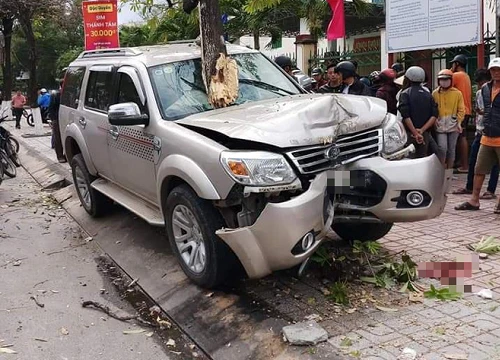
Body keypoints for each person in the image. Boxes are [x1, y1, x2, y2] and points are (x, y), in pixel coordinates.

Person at [456, 58, 500, 213]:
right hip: (487, 136)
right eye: (493, 70)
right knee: (479, 169)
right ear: (490, 72)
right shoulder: (485, 89)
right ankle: (474, 200)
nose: (496, 73)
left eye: (498, 70)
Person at [397, 66, 438, 158]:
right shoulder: (428, 94)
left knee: (410, 159)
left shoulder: (405, 93)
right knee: (422, 157)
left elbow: (405, 115)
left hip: (408, 133)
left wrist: (415, 133)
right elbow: (434, 115)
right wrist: (421, 131)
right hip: (424, 134)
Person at [432, 69, 465, 169]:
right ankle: (441, 168)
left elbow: (461, 109)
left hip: (453, 125)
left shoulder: (457, 93)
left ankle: (449, 170)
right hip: (440, 125)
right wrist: (435, 120)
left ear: (451, 80)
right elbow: (432, 108)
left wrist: (459, 122)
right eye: (442, 79)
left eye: (447, 79)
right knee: (442, 148)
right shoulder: (435, 93)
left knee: (451, 149)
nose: (444, 81)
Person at [450, 54, 472, 172]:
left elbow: (445, 83)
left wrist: (449, 71)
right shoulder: (465, 76)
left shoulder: (456, 75)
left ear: (457, 64)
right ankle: (460, 163)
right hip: (467, 110)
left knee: (461, 137)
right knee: (461, 137)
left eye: (453, 63)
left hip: (460, 111)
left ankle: (464, 166)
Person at [48, 81, 66, 163]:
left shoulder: (69, 94)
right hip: (57, 119)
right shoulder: (55, 95)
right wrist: (53, 119)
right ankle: (60, 155)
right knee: (58, 137)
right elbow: (51, 108)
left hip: (67, 118)